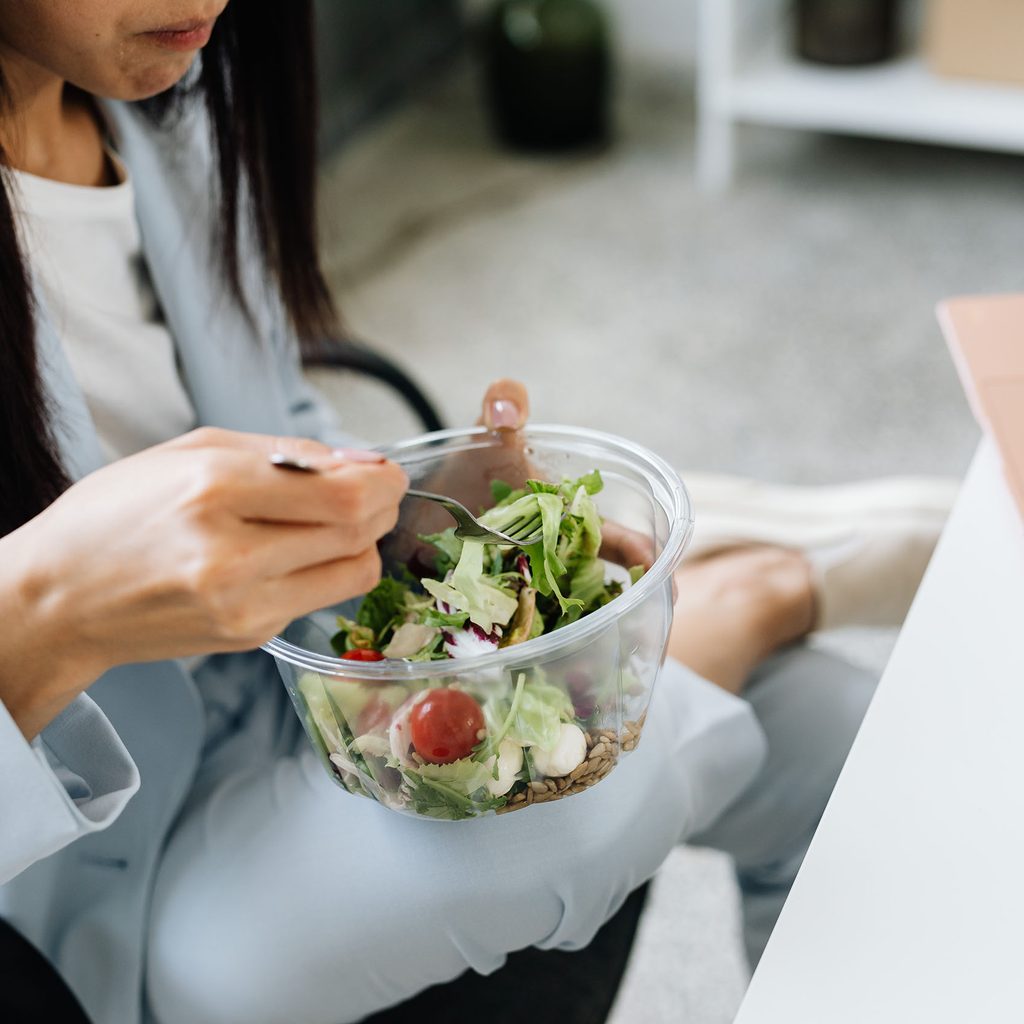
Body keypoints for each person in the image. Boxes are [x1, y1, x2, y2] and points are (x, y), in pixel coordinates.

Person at [0, 4, 953, 1023]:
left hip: (303, 693)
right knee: (554, 827)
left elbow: (270, 412)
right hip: (108, 871)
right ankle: (751, 589)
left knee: (863, 753)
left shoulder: (171, 101)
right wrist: (44, 609)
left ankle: (714, 589)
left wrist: (397, 516)